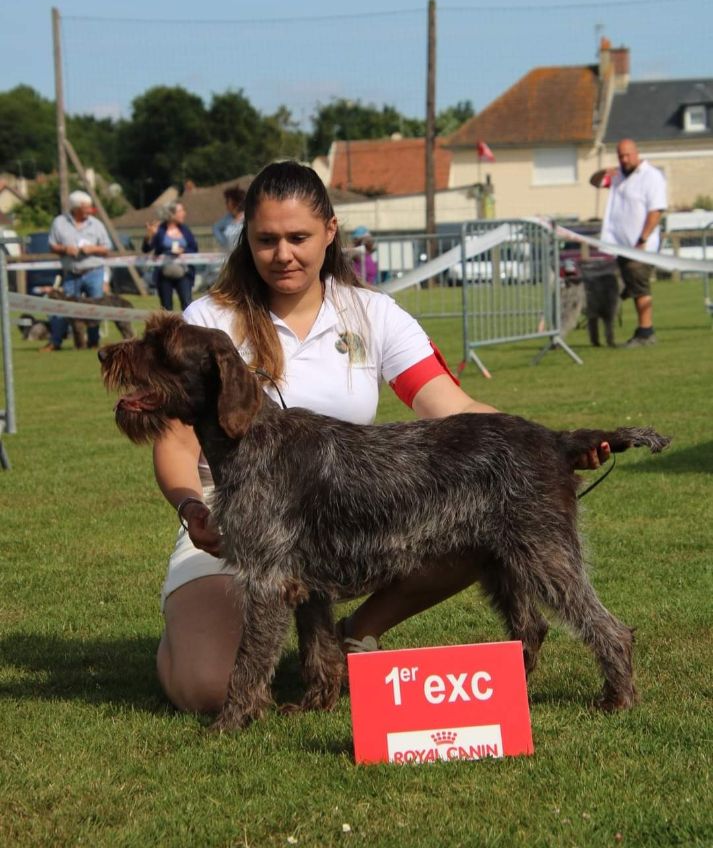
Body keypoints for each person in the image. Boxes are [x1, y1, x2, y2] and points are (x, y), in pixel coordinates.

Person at [151, 159, 609, 714]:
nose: (283, 254)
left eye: (298, 237)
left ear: (330, 231)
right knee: (204, 687)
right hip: (231, 526)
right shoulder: (210, 320)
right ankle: (195, 629)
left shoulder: (372, 313)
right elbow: (175, 442)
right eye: (266, 239)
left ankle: (357, 634)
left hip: (346, 514)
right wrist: (192, 508)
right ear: (245, 238)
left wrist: (544, 449)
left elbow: (454, 407)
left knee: (477, 505)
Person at [590, 139, 668, 348]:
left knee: (639, 285)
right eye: (620, 156)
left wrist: (643, 238)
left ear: (636, 153)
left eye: (628, 155)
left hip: (641, 246)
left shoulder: (651, 176)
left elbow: (656, 210)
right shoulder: (618, 176)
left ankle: (646, 331)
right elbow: (595, 182)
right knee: (632, 286)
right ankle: (642, 330)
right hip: (620, 245)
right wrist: (603, 172)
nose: (624, 160)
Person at [41, 190, 113, 352]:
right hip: (71, 274)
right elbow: (52, 246)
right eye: (86, 207)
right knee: (63, 309)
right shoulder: (59, 223)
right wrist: (65, 249)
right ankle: (56, 342)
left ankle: (94, 343)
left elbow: (107, 248)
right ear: (76, 208)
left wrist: (92, 248)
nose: (90, 210)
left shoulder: (96, 224)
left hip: (94, 272)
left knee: (95, 311)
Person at [142, 200, 198, 312]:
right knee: (166, 308)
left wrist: (183, 251)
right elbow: (146, 249)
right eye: (181, 211)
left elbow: (194, 249)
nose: (184, 213)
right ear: (171, 213)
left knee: (188, 306)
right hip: (164, 273)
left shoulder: (185, 230)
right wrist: (149, 235)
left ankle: (189, 329)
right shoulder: (160, 230)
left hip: (184, 273)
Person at [212, 185, 246, 252]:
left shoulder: (248, 219)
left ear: (235, 202)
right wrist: (225, 244)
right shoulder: (227, 219)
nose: (226, 204)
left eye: (228, 201)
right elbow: (215, 228)